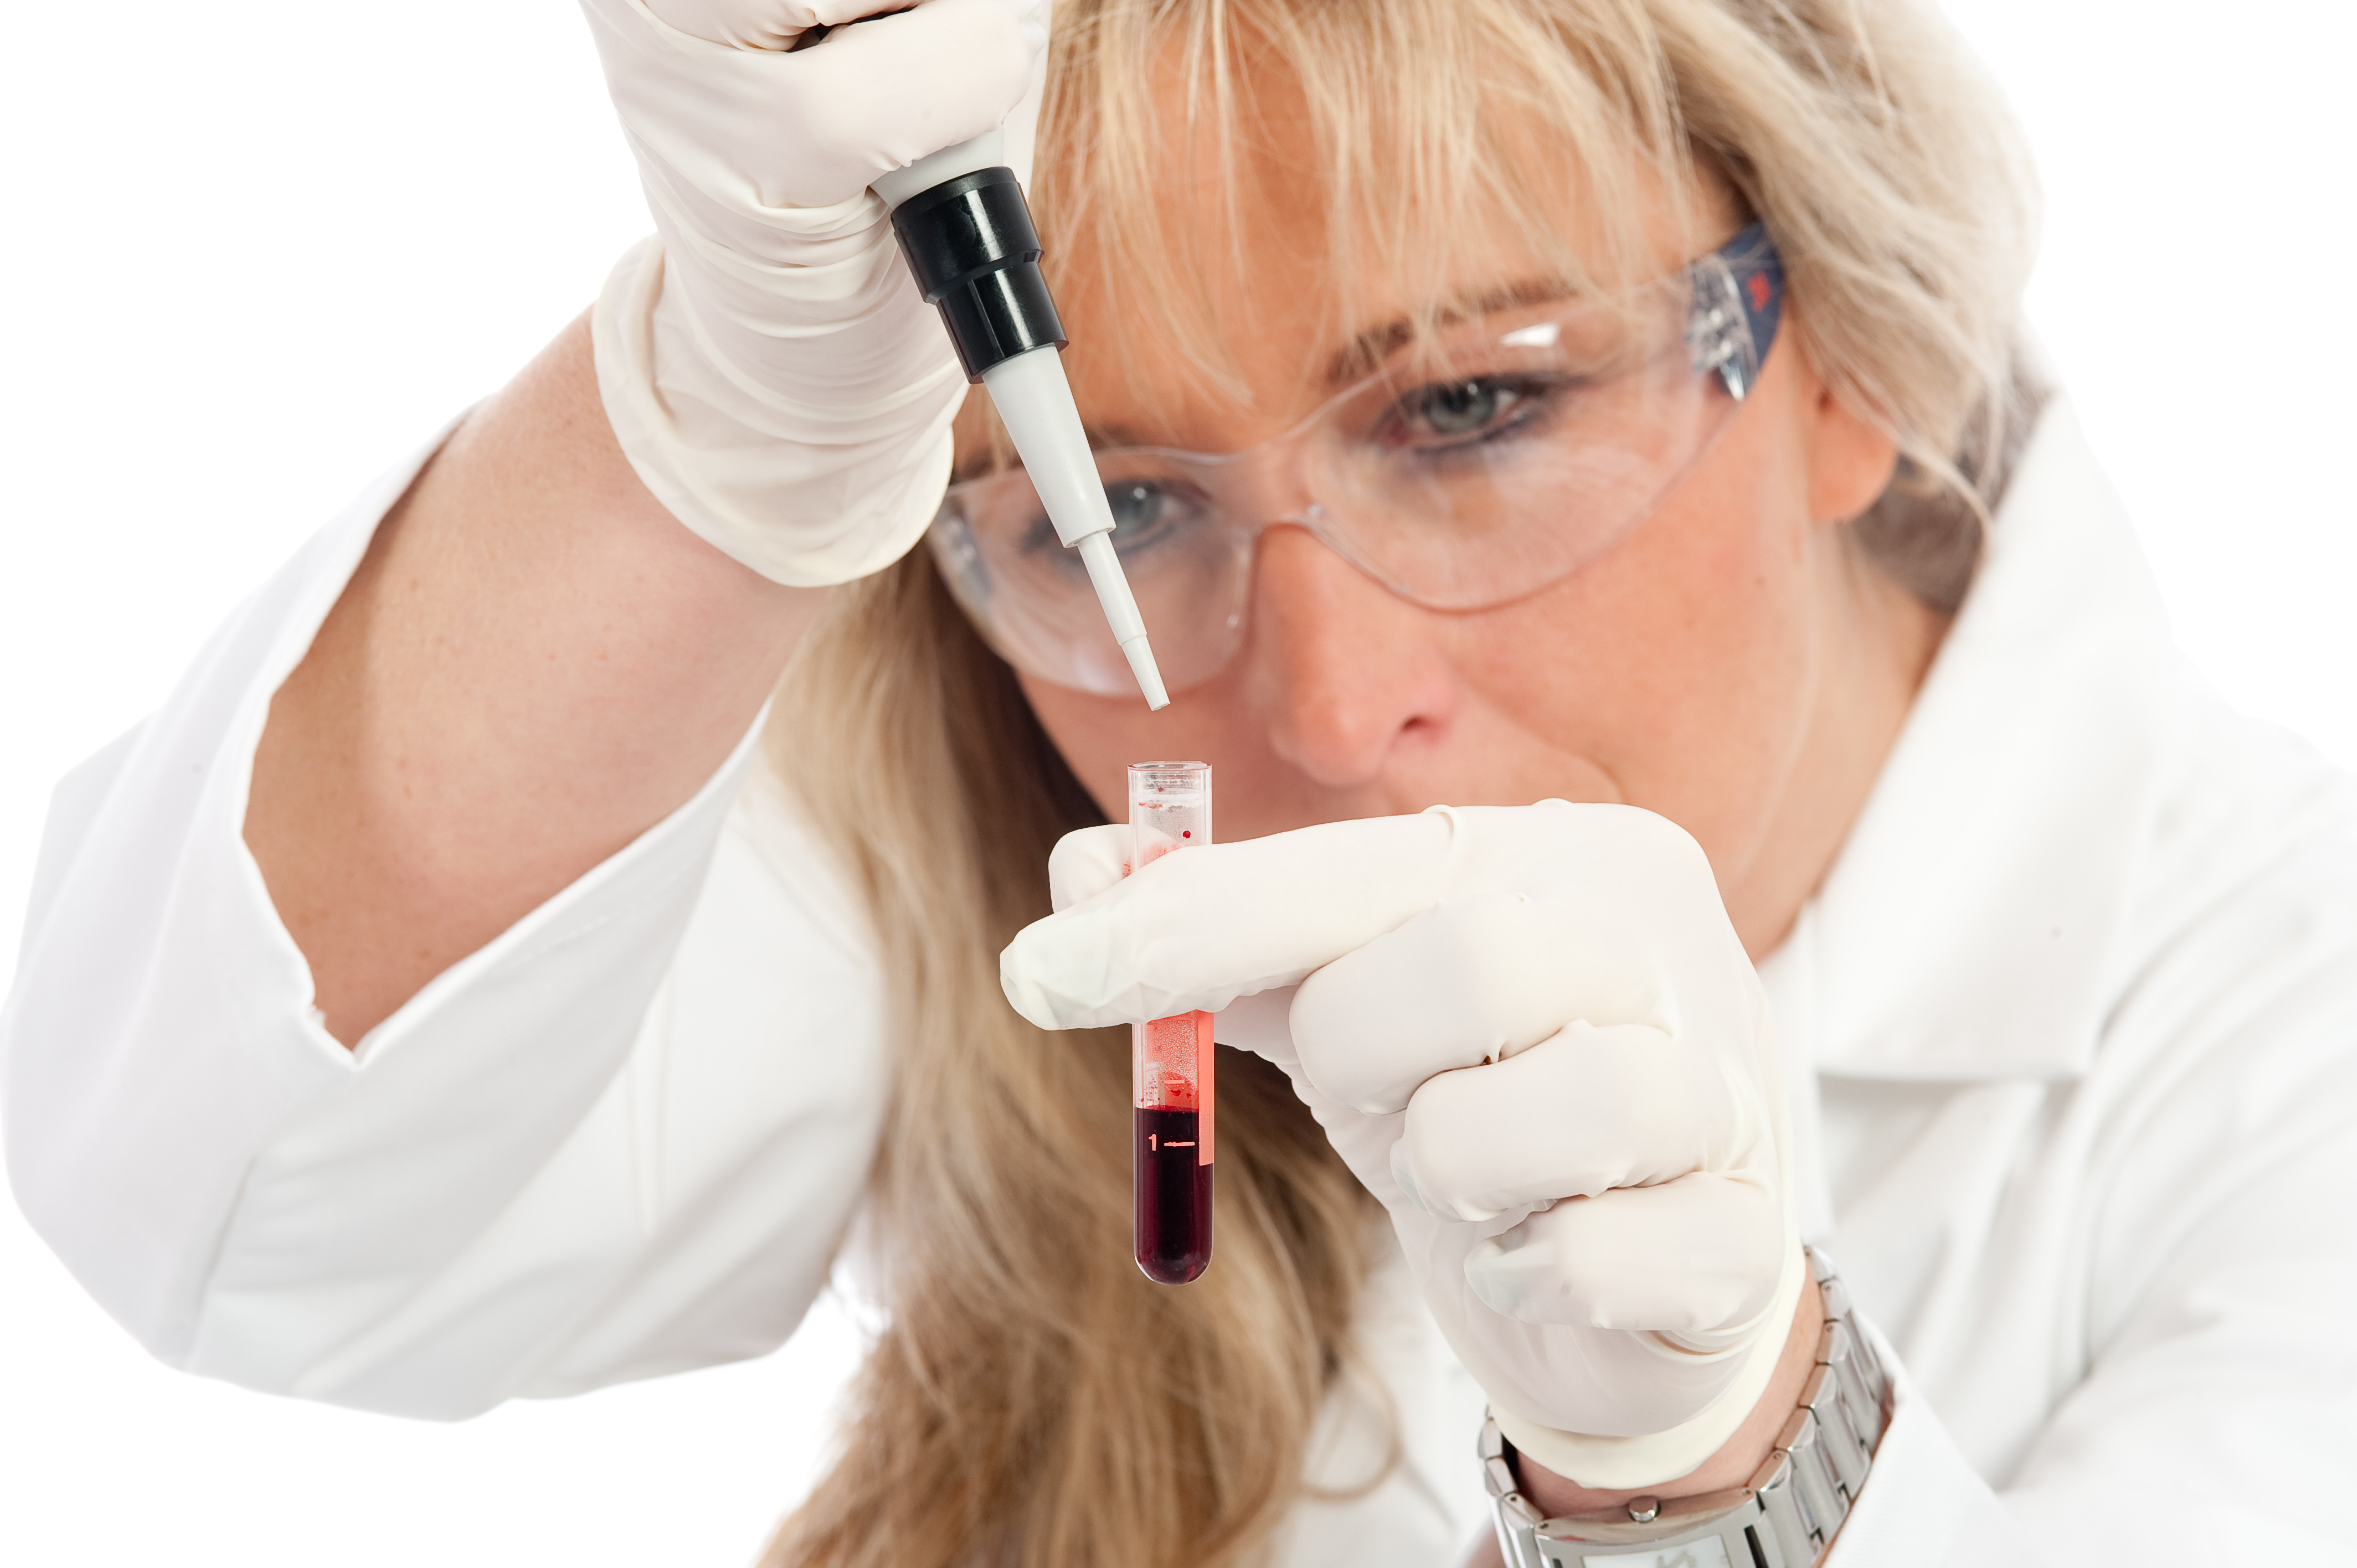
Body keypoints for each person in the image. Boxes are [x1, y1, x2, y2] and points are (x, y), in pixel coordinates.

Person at [5, 0, 2353, 1562]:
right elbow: (244, 1193)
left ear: (1845, 346)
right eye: (1116, 501)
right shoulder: (995, 779)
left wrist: (1729, 1454)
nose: (1322, 712)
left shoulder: (2277, 1016)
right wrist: (708, 433)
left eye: (1470, 411)